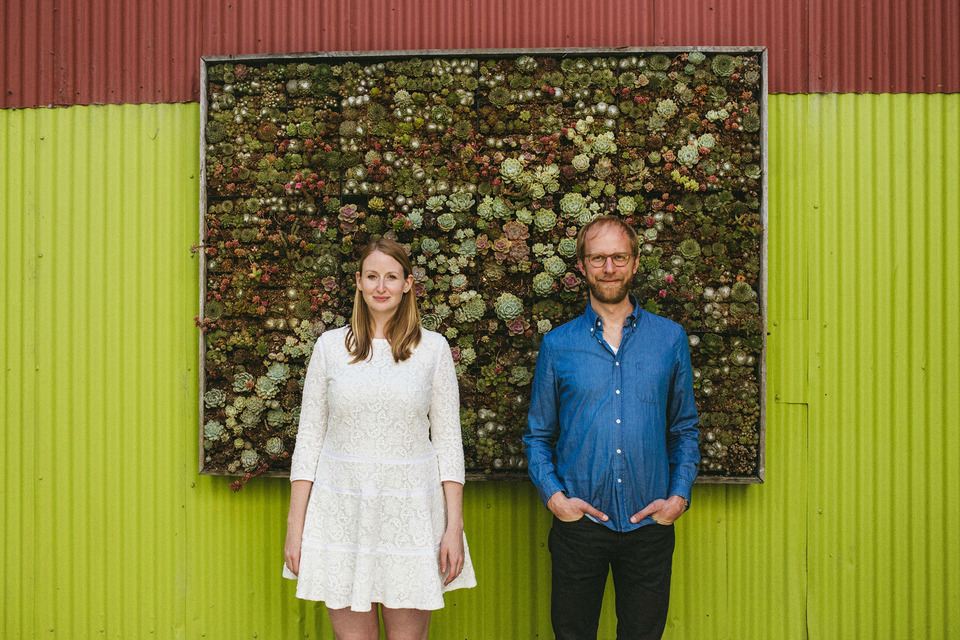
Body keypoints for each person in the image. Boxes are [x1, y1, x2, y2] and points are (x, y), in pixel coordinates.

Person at [284, 237, 476, 640]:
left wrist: (453, 527)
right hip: (341, 511)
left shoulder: (433, 349)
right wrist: (295, 526)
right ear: (358, 282)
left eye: (391, 277)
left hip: (411, 515)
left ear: (408, 283)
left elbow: (448, 443)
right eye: (372, 276)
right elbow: (308, 442)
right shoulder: (330, 348)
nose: (381, 286)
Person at [523, 215, 700, 640]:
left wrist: (677, 497)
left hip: (649, 526)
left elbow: (684, 430)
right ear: (582, 266)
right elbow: (538, 436)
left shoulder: (669, 339)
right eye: (598, 258)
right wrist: (555, 498)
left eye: (618, 257)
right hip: (579, 527)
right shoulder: (559, 344)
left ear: (635, 263)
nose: (609, 268)